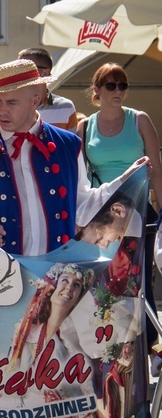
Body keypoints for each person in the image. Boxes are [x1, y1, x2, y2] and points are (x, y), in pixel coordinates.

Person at [0, 58, 144, 418]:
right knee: (4, 383)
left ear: (38, 99)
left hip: (59, 282)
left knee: (68, 378)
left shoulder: (69, 144)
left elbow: (85, 208)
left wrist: (127, 182)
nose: (1, 110)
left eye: (11, 101)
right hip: (2, 284)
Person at [77, 62, 162, 352]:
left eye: (123, 85)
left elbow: (158, 171)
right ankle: (107, 342)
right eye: (111, 85)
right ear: (97, 90)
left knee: (142, 280)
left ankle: (151, 345)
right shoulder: (84, 126)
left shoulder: (140, 120)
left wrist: (161, 212)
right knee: (105, 280)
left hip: (139, 211)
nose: (118, 91)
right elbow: (80, 176)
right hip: (103, 216)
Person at [6, 263, 102, 418]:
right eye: (64, 281)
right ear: (51, 288)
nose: (69, 288)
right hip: (26, 413)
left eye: (77, 285)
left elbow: (87, 385)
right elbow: (12, 374)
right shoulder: (28, 331)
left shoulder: (78, 338)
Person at [0, 48, 79, 133]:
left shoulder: (66, 107)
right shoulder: (2, 107)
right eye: (18, 67)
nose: (19, 72)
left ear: (45, 73)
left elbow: (70, 147)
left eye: (28, 67)